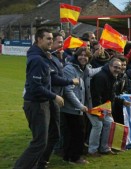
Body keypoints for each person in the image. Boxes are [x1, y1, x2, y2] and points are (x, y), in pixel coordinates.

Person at [14, 28, 64, 169]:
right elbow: (35, 87)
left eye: (51, 38)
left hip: (44, 102)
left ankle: (41, 164)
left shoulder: (42, 56)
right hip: (37, 104)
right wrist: (54, 96)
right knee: (39, 142)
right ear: (39, 40)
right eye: (48, 39)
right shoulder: (37, 60)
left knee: (54, 135)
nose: (51, 41)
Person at [37, 32, 80, 168]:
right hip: (50, 98)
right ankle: (40, 161)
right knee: (48, 134)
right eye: (58, 42)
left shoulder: (56, 57)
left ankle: (43, 160)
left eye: (62, 42)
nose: (62, 45)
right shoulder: (46, 58)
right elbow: (54, 78)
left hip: (55, 98)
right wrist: (70, 81)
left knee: (53, 133)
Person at [61, 47, 101, 164]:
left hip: (76, 108)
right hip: (71, 108)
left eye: (86, 56)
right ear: (76, 56)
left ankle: (68, 157)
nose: (83, 57)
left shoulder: (84, 69)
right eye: (81, 55)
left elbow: (92, 72)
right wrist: (79, 105)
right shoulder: (70, 69)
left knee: (73, 133)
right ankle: (75, 157)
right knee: (78, 133)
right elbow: (68, 91)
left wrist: (106, 67)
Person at [89, 58, 124, 155]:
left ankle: (105, 148)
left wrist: (109, 109)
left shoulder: (113, 76)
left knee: (109, 122)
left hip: (104, 105)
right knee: (98, 125)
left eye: (119, 68)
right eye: (115, 67)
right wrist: (100, 111)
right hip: (92, 105)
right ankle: (92, 150)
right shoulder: (101, 77)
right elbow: (96, 95)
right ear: (110, 66)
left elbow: (111, 94)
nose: (117, 69)